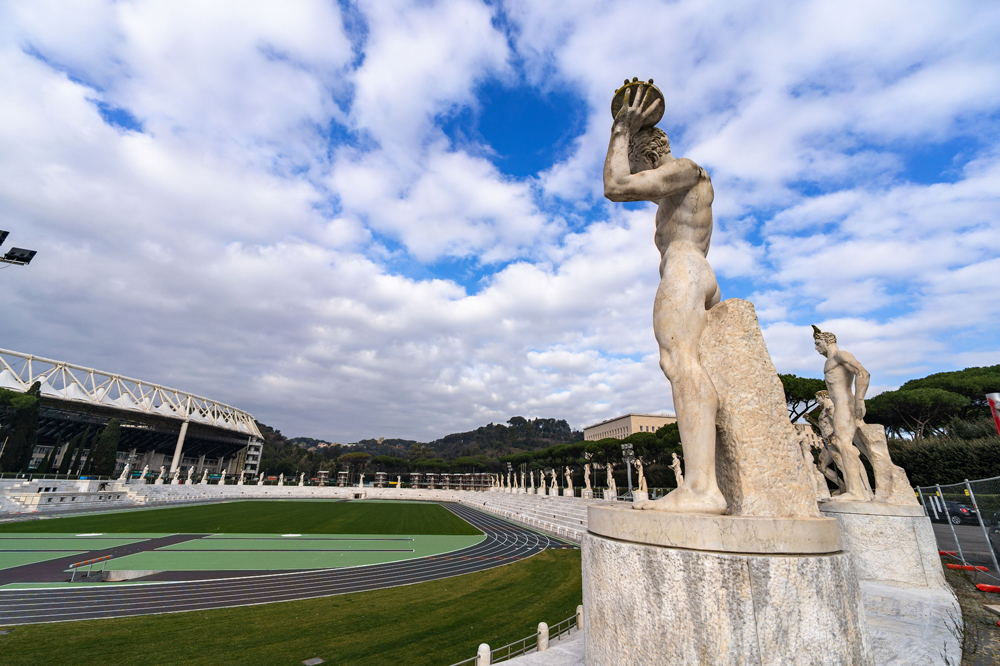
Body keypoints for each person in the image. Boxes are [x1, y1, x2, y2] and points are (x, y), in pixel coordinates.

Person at [604, 80, 724, 514]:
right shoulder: (676, 192)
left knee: (678, 362)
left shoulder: (686, 170)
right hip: (693, 270)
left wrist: (620, 129)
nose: (635, 172)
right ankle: (708, 481)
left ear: (650, 155)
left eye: (638, 162)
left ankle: (701, 489)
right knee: (689, 365)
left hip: (686, 268)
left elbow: (615, 187)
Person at [813, 326, 870, 502]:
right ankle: (863, 492)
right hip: (841, 405)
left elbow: (862, 372)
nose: (817, 348)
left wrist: (860, 399)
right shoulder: (831, 360)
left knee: (845, 445)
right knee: (855, 446)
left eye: (818, 343)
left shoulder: (840, 355)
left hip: (845, 403)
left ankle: (855, 493)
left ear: (827, 340)